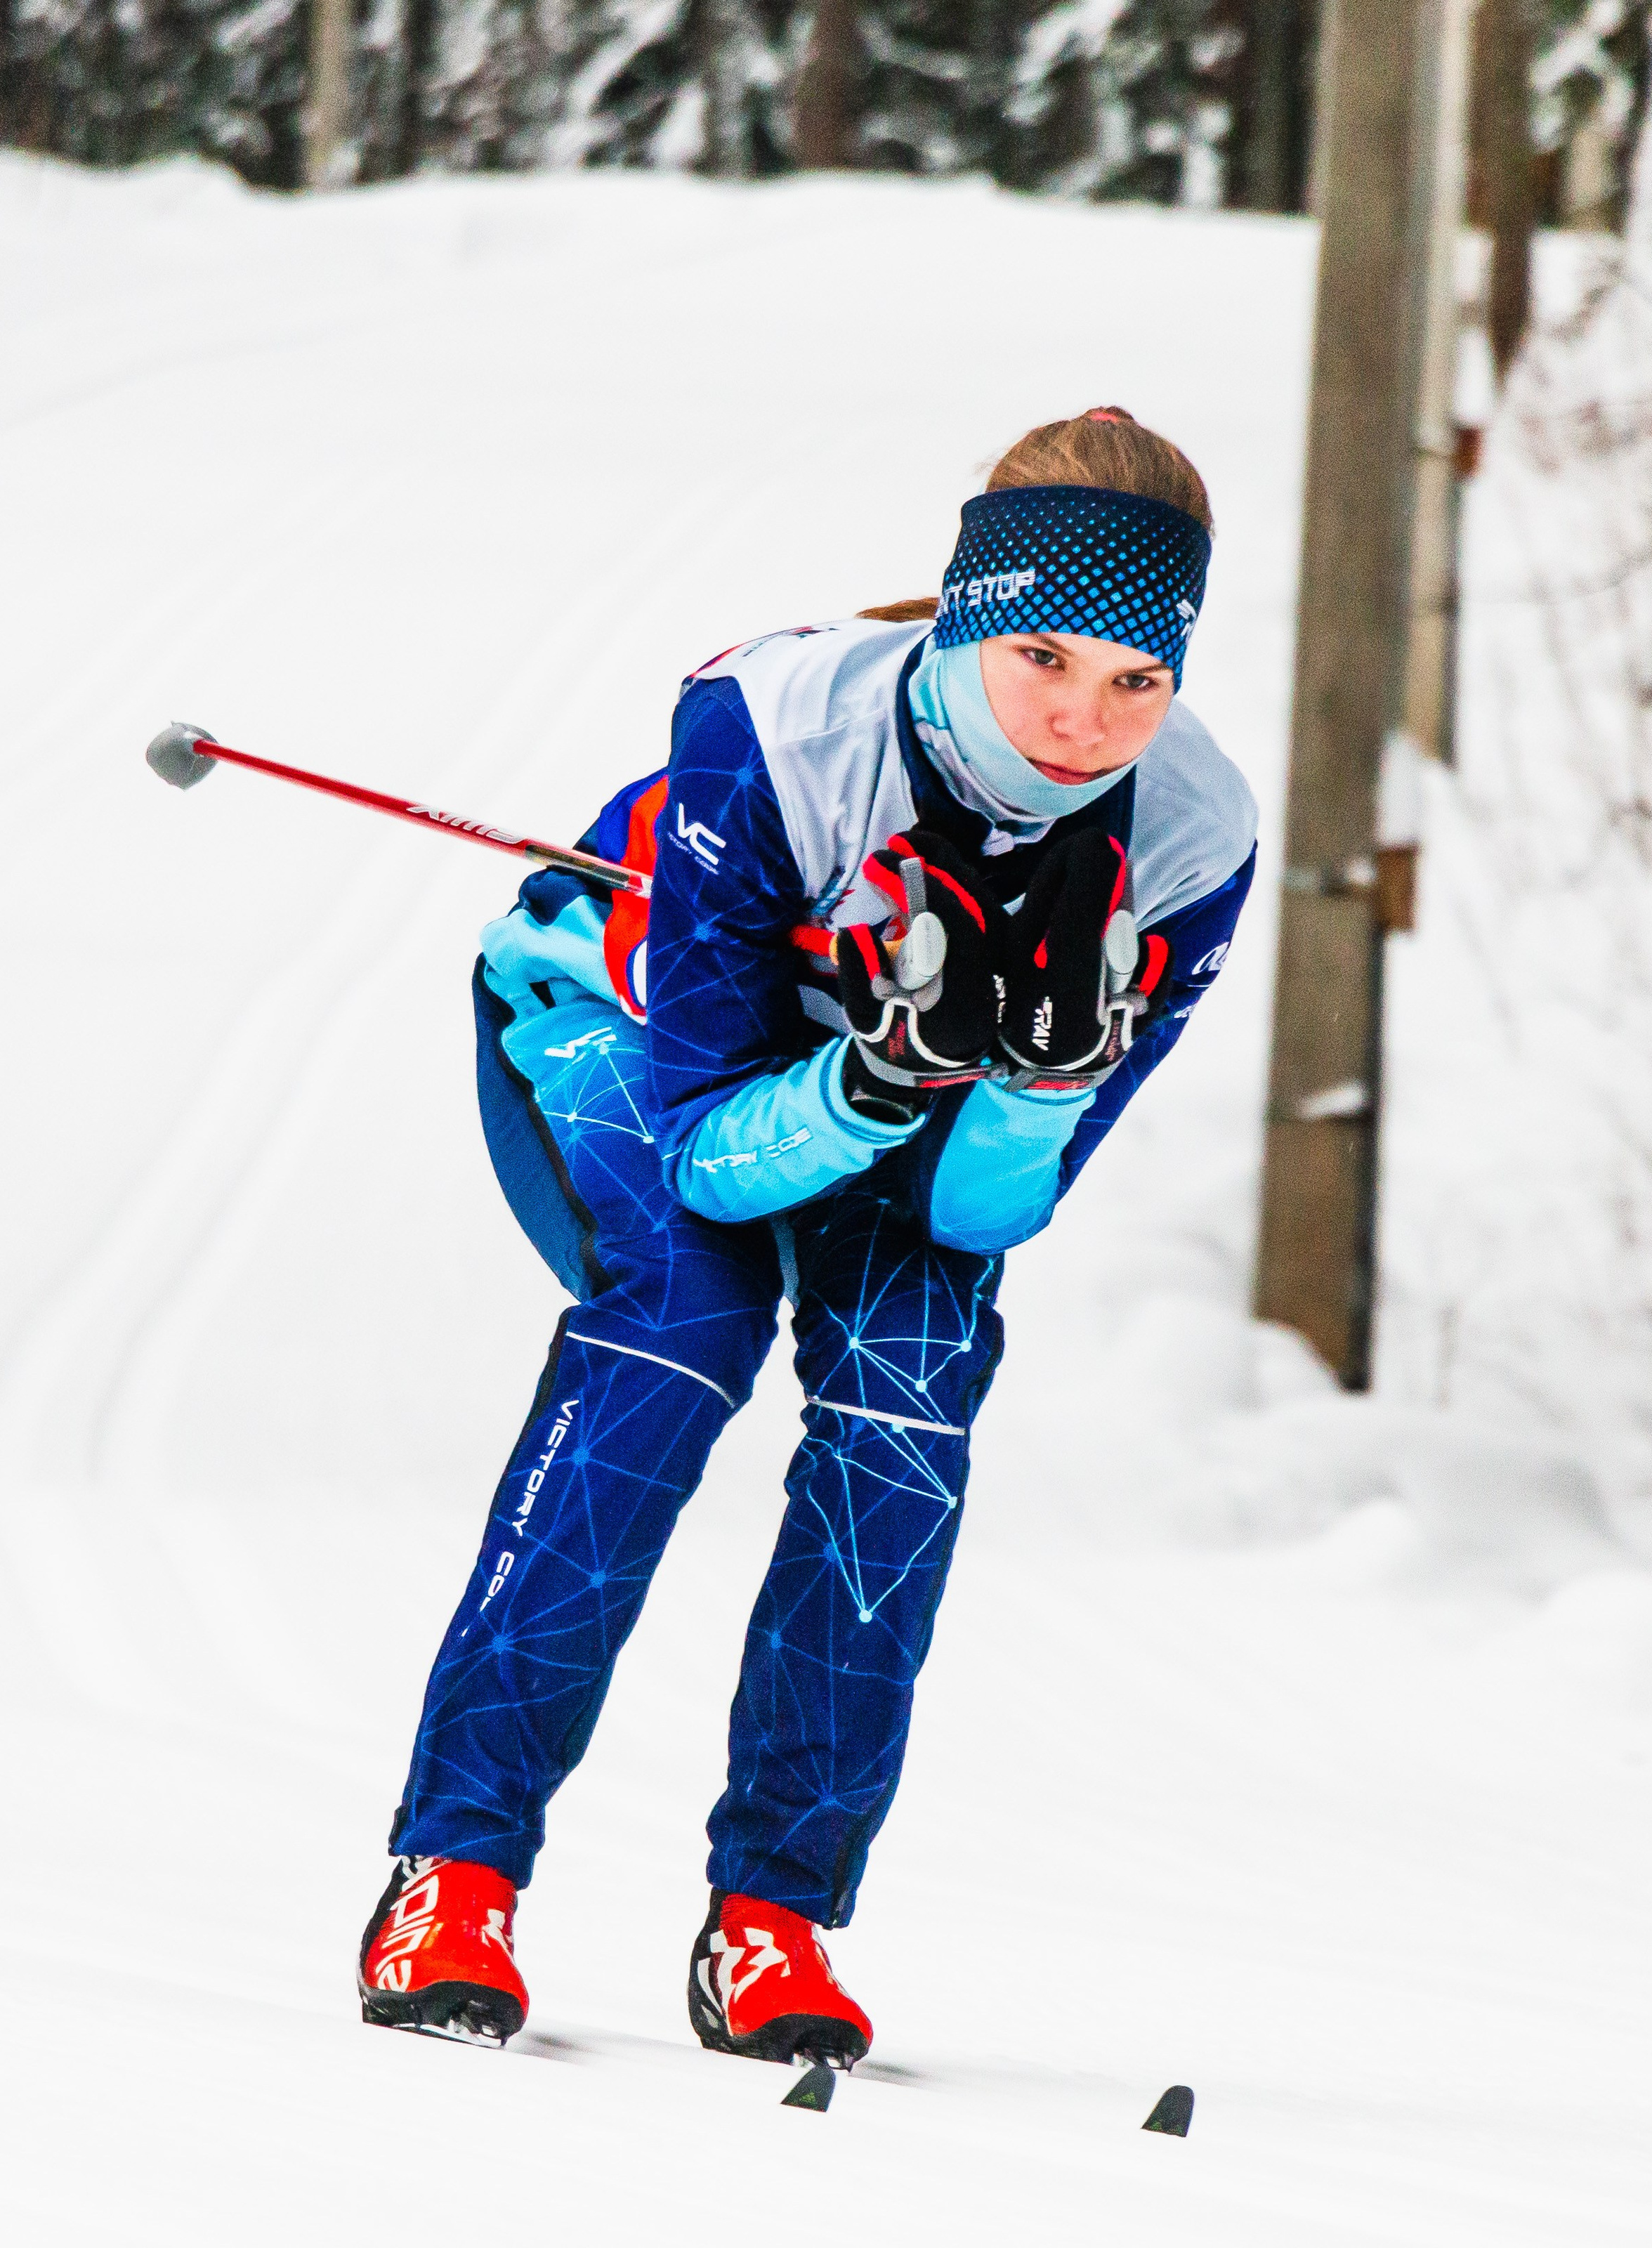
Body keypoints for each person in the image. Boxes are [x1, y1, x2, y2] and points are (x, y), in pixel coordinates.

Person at [358, 407, 1257, 2065]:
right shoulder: (773, 727)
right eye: (1045, 656)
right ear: (971, 613)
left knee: (910, 1385)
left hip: (891, 1130)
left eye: (1137, 679)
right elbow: (704, 1156)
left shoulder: (1190, 841)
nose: (1082, 720)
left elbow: (983, 1220)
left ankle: (773, 1917)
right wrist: (873, 1072)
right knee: (677, 1331)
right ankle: (456, 1870)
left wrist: (1033, 1096)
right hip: (619, 1030)